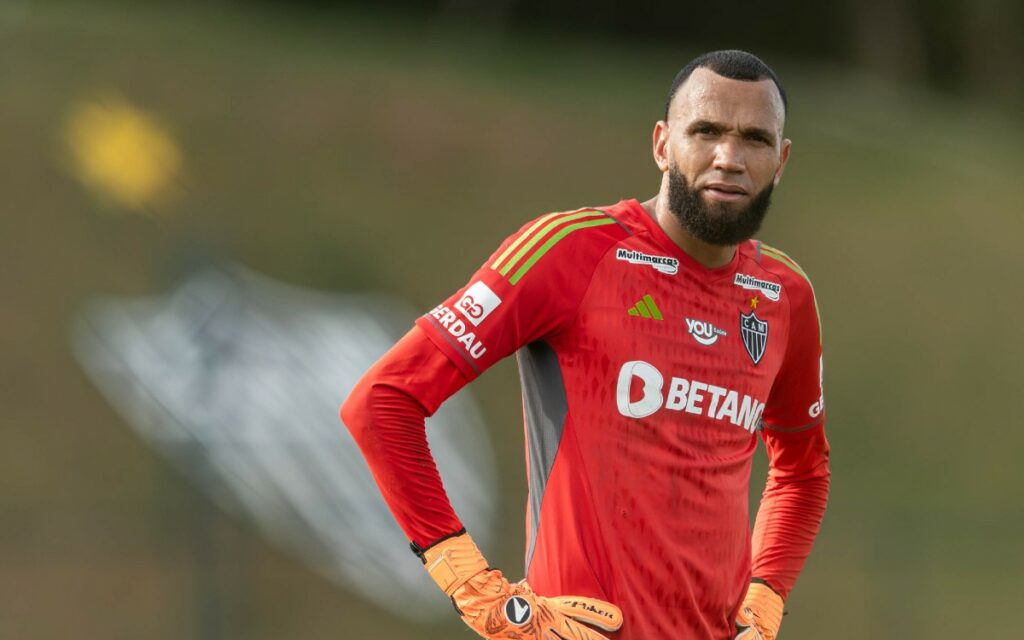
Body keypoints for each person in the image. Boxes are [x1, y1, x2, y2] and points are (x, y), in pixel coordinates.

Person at [341, 49, 830, 640]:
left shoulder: (784, 295)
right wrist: (478, 592)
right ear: (661, 144)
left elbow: (802, 472)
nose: (728, 158)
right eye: (706, 131)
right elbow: (383, 402)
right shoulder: (568, 251)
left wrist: (767, 596)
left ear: (780, 161)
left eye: (754, 139)